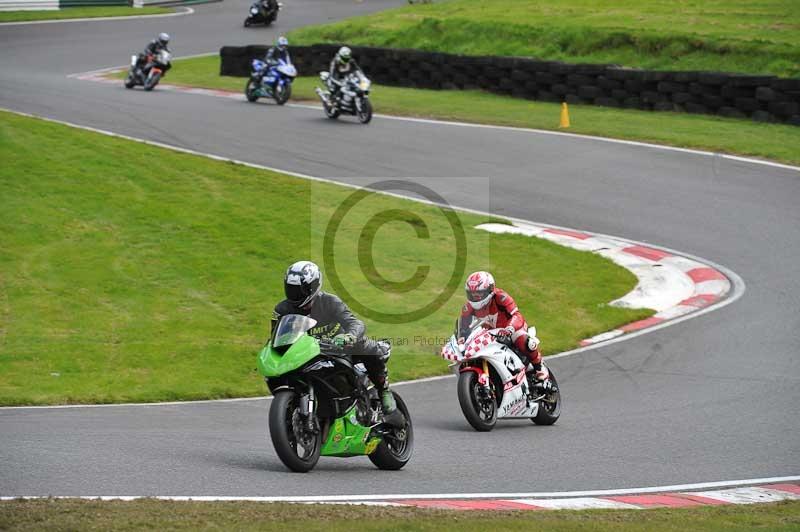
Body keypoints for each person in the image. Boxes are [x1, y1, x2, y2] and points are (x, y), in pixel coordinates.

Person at [271, 261, 403, 424]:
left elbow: (355, 323)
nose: (295, 294)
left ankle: (384, 391)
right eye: (291, 289)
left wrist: (349, 336)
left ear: (313, 286)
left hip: (339, 348)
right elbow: (278, 337)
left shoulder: (329, 302)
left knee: (363, 345)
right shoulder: (282, 310)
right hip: (307, 354)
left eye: (299, 290)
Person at [457, 271, 549, 382]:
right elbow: (463, 327)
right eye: (472, 294)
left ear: (489, 290)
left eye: (479, 293)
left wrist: (510, 328)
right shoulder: (468, 307)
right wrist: (461, 338)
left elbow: (516, 315)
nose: (475, 297)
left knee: (523, 340)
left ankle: (539, 367)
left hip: (510, 329)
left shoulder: (501, 297)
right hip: (490, 335)